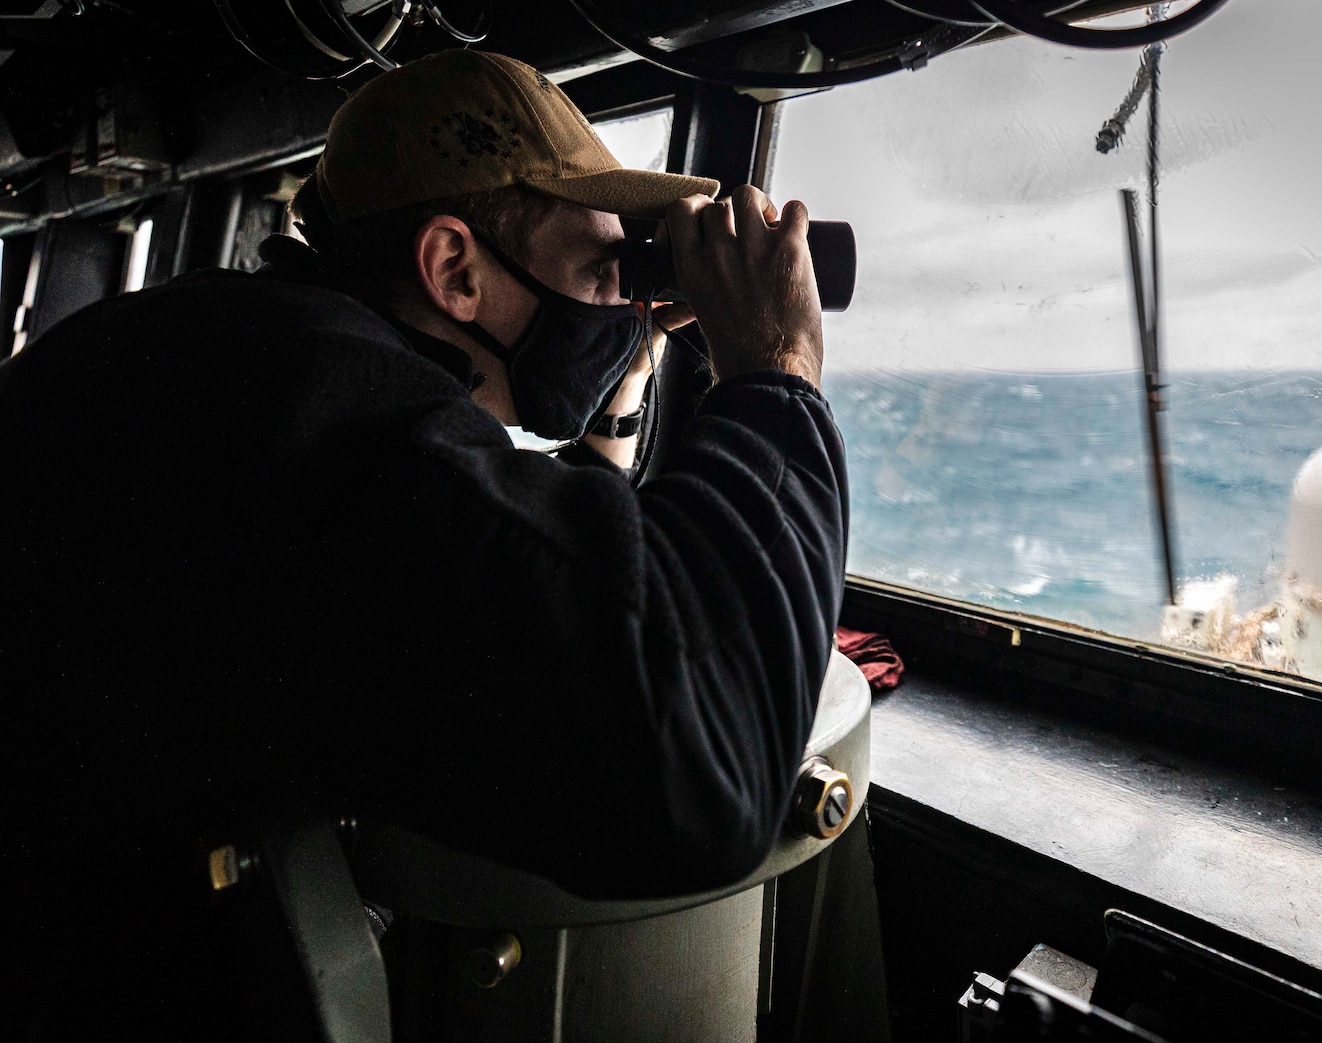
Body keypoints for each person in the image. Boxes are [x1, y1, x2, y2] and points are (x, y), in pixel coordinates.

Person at [0, 50, 846, 1035]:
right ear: (452, 269)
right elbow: (707, 778)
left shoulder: (234, 349)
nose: (618, 297)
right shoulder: (348, 434)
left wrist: (625, 356)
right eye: (601, 268)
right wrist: (775, 367)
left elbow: (551, 553)